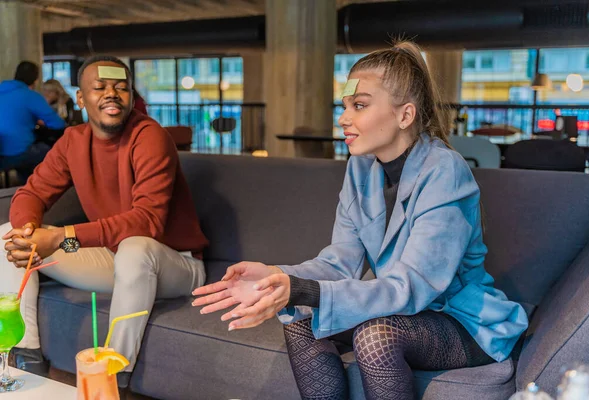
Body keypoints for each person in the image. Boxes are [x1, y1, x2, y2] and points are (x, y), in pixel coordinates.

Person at [192, 41, 528, 400]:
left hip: (462, 321)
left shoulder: (445, 171)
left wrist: (303, 289)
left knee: (376, 336)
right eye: (344, 106)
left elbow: (412, 287)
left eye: (360, 105)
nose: (343, 118)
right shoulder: (360, 167)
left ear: (405, 115)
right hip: (401, 311)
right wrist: (279, 278)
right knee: (302, 321)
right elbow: (340, 261)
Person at [0, 55, 208, 392]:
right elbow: (31, 193)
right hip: (114, 258)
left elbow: (147, 222)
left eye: (121, 88)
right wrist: (27, 233)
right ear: (81, 99)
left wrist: (63, 236)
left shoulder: (149, 136)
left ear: (130, 97)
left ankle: (112, 379)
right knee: (5, 237)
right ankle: (27, 355)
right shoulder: (73, 141)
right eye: (99, 87)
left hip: (176, 264)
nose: (111, 94)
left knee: (135, 247)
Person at [0, 61, 65, 184]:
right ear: (35, 80)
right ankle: (37, 191)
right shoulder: (30, 96)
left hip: (1, 154)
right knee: (48, 151)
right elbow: (58, 124)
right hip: (17, 153)